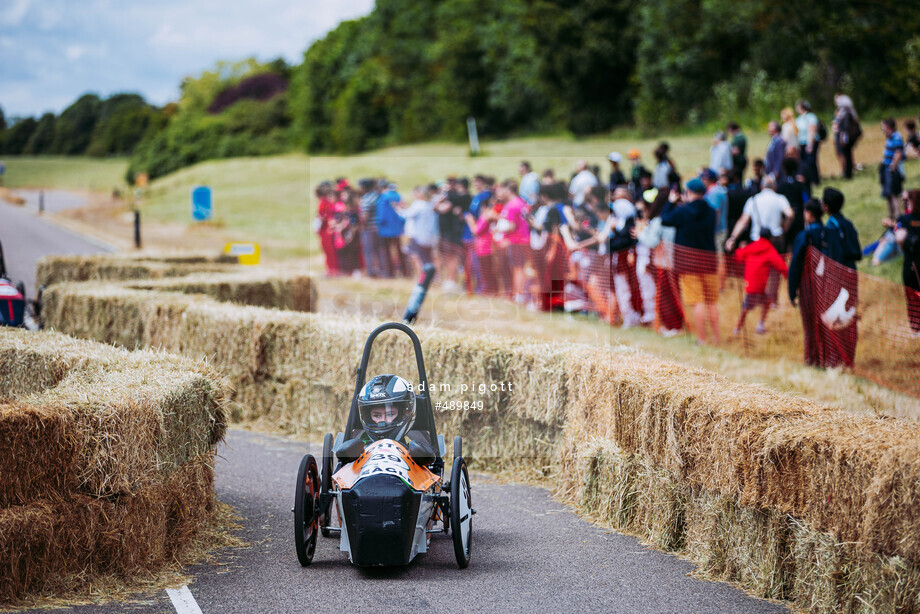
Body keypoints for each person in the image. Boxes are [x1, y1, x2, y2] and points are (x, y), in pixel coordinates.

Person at [661, 178, 719, 345]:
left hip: (688, 263)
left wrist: (671, 202)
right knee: (711, 301)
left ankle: (702, 339)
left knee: (697, 301)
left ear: (689, 192)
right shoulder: (711, 211)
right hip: (709, 261)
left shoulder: (683, 211)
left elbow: (665, 219)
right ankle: (716, 338)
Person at [788, 200, 835, 366]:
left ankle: (813, 359)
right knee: (827, 322)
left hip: (808, 285)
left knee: (809, 323)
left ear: (808, 213)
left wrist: (791, 291)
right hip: (829, 284)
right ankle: (830, 359)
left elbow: (795, 266)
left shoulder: (804, 236)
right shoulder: (830, 232)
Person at [822, 186, 861, 367]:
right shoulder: (848, 223)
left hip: (838, 278)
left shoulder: (831, 225)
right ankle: (849, 358)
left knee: (835, 316)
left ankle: (836, 358)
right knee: (850, 315)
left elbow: (833, 257)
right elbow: (857, 252)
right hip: (852, 274)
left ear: (826, 206)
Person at [733, 229, 788, 335]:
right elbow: (780, 265)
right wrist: (787, 274)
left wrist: (739, 249)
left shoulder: (752, 246)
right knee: (747, 307)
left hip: (750, 284)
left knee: (761, 303)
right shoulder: (770, 249)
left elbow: (738, 255)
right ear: (770, 238)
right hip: (759, 286)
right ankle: (738, 328)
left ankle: (752, 326)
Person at [355, 374, 429, 446]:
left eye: (390, 414)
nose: (383, 421)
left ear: (403, 414)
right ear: (368, 416)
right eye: (377, 415)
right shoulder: (357, 451)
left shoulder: (420, 452)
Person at [889, 189, 920, 335]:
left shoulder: (905, 220)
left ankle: (915, 330)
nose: (906, 203)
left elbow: (899, 238)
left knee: (912, 297)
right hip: (913, 263)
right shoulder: (905, 219)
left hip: (912, 264)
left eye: (908, 200)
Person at [398, 186, 439, 279]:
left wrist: (399, 209)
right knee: (427, 258)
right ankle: (432, 277)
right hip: (429, 236)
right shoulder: (428, 204)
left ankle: (421, 278)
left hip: (417, 236)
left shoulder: (419, 204)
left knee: (415, 257)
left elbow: (406, 215)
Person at [376, 183, 406, 277]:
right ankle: (404, 271)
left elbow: (381, 214)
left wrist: (379, 223)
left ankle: (390, 272)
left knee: (387, 251)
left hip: (386, 229)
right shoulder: (398, 197)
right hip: (397, 228)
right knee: (398, 249)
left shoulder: (383, 198)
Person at [880, 118, 906, 220]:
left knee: (894, 194)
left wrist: (892, 167)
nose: (882, 129)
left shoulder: (897, 137)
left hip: (892, 170)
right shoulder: (889, 137)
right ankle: (891, 216)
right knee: (888, 194)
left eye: (883, 127)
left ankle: (899, 216)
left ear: (888, 127)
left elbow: (899, 153)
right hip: (886, 168)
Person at [358, 179, 384, 277]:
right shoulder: (377, 196)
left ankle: (371, 271)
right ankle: (382, 270)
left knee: (368, 251)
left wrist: (360, 225)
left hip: (369, 228)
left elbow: (365, 216)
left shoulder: (366, 198)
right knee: (380, 250)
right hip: (379, 227)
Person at [832, 94, 861, 180]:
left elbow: (845, 129)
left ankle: (847, 174)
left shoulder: (846, 114)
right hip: (847, 138)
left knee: (846, 155)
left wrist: (843, 139)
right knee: (847, 154)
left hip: (845, 139)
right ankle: (848, 172)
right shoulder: (850, 113)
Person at [315, 184, 341, 276]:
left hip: (326, 230)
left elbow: (323, 217)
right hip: (326, 229)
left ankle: (333, 269)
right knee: (329, 250)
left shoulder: (324, 203)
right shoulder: (327, 202)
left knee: (329, 250)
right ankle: (332, 269)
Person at [795, 100, 821, 188]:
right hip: (802, 142)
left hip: (810, 142)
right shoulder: (799, 118)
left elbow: (812, 131)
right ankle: (806, 179)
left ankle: (814, 179)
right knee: (803, 162)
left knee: (811, 161)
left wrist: (810, 144)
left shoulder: (810, 117)